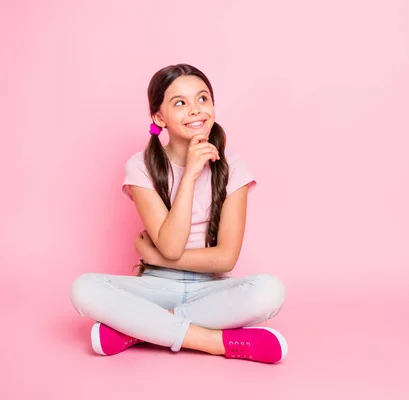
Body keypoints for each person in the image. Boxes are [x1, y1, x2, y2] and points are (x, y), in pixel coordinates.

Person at [69, 64, 287, 364]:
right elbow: (171, 244)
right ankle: (213, 342)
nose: (195, 110)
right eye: (180, 103)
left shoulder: (233, 166)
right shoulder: (141, 166)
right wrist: (190, 175)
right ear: (159, 117)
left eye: (202, 99)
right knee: (84, 288)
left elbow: (225, 258)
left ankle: (142, 328)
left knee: (270, 291)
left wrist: (156, 257)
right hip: (155, 287)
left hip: (212, 289)